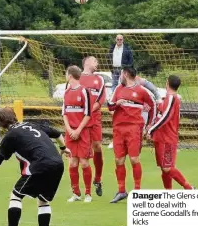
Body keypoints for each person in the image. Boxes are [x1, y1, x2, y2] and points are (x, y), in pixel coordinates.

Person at [0, 107, 70, 226]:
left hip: (40, 165)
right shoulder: (32, 125)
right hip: (57, 164)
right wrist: (63, 148)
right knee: (43, 200)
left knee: (15, 196)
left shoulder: (10, 136)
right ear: (14, 116)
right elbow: (57, 133)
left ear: (0, 124)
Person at [107, 66, 156, 203]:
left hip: (134, 129)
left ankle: (137, 191)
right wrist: (117, 103)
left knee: (134, 159)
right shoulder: (118, 89)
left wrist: (149, 125)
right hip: (118, 129)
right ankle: (121, 191)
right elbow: (110, 106)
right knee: (118, 160)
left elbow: (153, 106)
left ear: (126, 74)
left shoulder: (141, 91)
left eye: (121, 73)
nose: (120, 76)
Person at [147, 75, 193, 190]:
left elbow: (165, 117)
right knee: (164, 168)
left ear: (167, 83)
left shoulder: (172, 98)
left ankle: (189, 188)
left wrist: (151, 130)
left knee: (167, 167)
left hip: (167, 138)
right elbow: (161, 114)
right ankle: (169, 193)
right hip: (161, 137)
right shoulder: (167, 98)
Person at [63, 65, 93, 203]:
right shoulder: (66, 92)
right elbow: (64, 113)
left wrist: (78, 130)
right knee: (72, 163)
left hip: (83, 132)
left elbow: (88, 114)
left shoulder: (84, 91)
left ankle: (88, 193)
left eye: (66, 74)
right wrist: (69, 130)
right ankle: (76, 193)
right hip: (70, 132)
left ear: (70, 76)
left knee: (84, 163)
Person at [80, 56, 106, 196]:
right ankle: (80, 189)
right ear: (87, 62)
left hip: (94, 118)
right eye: (95, 61)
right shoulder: (77, 78)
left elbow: (101, 99)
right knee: (81, 153)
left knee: (97, 146)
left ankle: (98, 178)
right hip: (81, 119)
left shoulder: (99, 79)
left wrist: (89, 111)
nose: (97, 63)